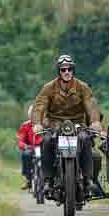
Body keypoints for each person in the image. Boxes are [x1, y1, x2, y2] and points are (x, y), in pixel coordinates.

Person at [32, 55, 101, 199]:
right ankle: (48, 180)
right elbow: (39, 106)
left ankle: (88, 180)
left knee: (85, 139)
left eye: (69, 69)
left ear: (73, 70)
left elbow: (91, 104)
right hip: (54, 124)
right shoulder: (48, 87)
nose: (67, 72)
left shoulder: (83, 87)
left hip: (77, 124)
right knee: (46, 141)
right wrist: (37, 123)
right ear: (59, 71)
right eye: (63, 69)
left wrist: (95, 121)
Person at [16, 105, 41, 190]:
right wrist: (25, 146)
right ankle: (28, 179)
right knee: (25, 155)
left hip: (42, 148)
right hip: (31, 148)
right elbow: (20, 139)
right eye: (32, 115)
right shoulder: (25, 126)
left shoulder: (45, 125)